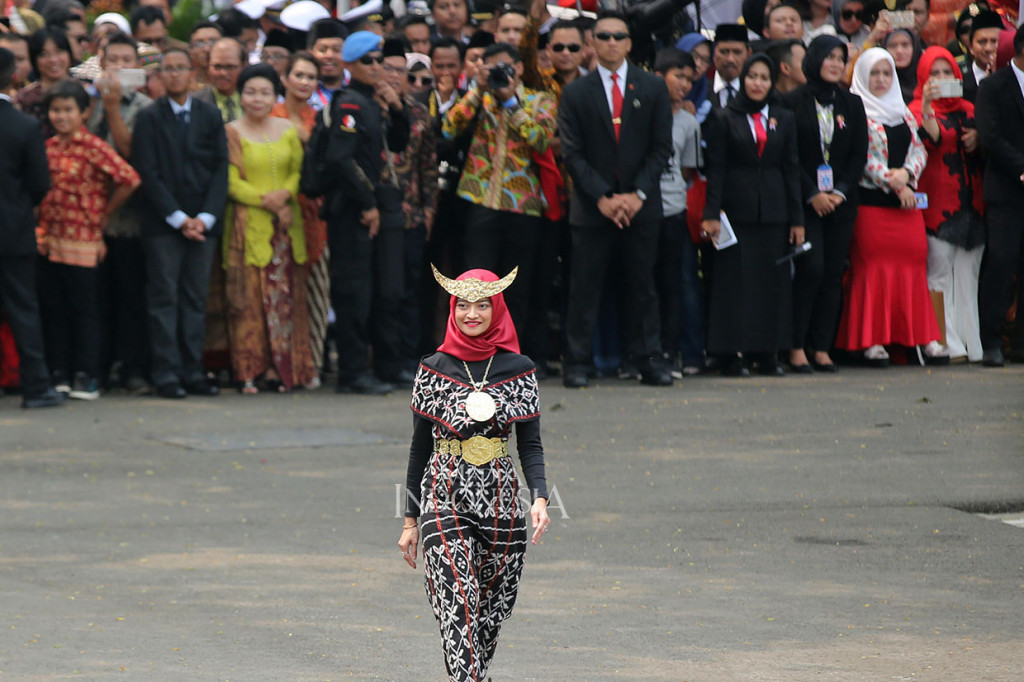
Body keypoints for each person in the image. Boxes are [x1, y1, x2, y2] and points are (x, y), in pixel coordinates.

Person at [398, 266, 550, 682]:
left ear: (496, 308)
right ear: (452, 308)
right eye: (462, 305)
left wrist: (539, 498)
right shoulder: (433, 368)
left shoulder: (519, 368)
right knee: (458, 605)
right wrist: (410, 520)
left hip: (501, 496)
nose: (472, 313)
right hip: (443, 493)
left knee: (488, 614)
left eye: (482, 305)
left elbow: (530, 445)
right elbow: (418, 449)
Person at [558, 11, 674, 387]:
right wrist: (604, 198)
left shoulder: (653, 87)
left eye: (618, 36)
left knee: (643, 286)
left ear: (629, 43)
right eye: (603, 36)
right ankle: (576, 363)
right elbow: (573, 154)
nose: (611, 42)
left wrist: (637, 195)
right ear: (592, 41)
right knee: (584, 288)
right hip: (593, 209)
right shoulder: (576, 91)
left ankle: (649, 361)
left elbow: (661, 149)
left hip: (641, 206)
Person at [443, 41, 556, 365]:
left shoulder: (540, 100)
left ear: (519, 68)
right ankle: (471, 355)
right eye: (492, 69)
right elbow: (450, 127)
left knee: (517, 287)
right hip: (480, 200)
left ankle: (511, 358)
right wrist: (478, 90)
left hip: (524, 204)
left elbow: (541, 139)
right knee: (475, 286)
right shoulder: (480, 98)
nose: (499, 75)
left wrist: (511, 102)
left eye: (505, 68)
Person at [836, 48, 946, 365]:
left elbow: (919, 149)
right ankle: (872, 341)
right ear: (862, 76)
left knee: (913, 266)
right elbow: (860, 158)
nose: (882, 80)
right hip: (872, 207)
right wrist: (893, 181)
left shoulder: (903, 112)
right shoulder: (855, 112)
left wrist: (908, 174)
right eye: (875, 73)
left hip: (907, 205)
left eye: (887, 73)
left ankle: (922, 338)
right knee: (873, 270)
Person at [132, 48, 229, 398]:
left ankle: (193, 371)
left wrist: (204, 217)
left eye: (180, 68)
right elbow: (148, 172)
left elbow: (221, 169)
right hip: (164, 224)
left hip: (204, 221)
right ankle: (166, 373)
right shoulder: (149, 117)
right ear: (158, 75)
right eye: (167, 69)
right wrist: (178, 218)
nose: (174, 75)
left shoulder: (209, 114)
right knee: (164, 298)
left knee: (195, 298)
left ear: (192, 73)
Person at [37, 79, 141, 400]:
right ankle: (60, 372)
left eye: (68, 110)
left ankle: (88, 374)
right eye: (55, 110)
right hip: (49, 239)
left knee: (85, 309)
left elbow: (129, 179)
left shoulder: (94, 146)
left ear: (85, 111)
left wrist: (106, 212)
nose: (61, 116)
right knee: (54, 310)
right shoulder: (47, 147)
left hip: (84, 239)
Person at [702, 54, 804, 377]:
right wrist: (711, 213)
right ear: (743, 80)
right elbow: (715, 168)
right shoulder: (724, 117)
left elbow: (791, 168)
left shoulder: (784, 117)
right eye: (752, 76)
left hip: (774, 211)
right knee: (734, 284)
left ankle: (767, 353)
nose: (757, 83)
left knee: (772, 284)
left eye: (764, 77)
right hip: (736, 211)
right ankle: (731, 353)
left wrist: (797, 219)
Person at [322, 31, 410, 394]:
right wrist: (368, 204)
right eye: (368, 62)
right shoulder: (350, 104)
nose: (376, 67)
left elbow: (398, 145)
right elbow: (340, 159)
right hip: (353, 209)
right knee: (355, 293)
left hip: (380, 203)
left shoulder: (374, 102)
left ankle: (388, 365)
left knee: (388, 290)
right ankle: (353, 372)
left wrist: (398, 107)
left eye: (380, 61)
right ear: (349, 66)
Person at [223, 64, 314, 393]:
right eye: (250, 92)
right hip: (249, 224)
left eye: (264, 92)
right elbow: (231, 183)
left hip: (288, 226)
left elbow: (298, 172)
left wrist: (286, 196)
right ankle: (249, 370)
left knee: (286, 297)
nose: (257, 99)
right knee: (248, 299)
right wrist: (269, 201)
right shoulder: (231, 131)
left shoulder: (289, 129)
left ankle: (283, 370)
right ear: (240, 95)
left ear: (275, 95)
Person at [781, 35, 868, 372]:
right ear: (814, 59)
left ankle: (821, 346)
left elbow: (858, 154)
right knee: (811, 269)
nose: (834, 63)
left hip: (841, 202)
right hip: (806, 203)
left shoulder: (852, 103)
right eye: (828, 56)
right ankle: (796, 346)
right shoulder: (790, 102)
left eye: (840, 57)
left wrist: (840, 191)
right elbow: (788, 156)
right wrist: (812, 194)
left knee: (833, 273)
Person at [909, 46, 985, 362]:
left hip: (974, 201)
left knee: (968, 277)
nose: (941, 79)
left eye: (947, 72)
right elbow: (933, 137)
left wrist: (979, 136)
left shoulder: (971, 107)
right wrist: (927, 105)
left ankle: (972, 344)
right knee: (938, 277)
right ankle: (942, 341)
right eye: (934, 73)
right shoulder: (915, 108)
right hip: (938, 203)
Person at [0, 47, 65, 409]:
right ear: (13, 75)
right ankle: (37, 386)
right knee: (24, 307)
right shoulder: (24, 126)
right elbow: (40, 183)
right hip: (14, 229)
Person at [88, 32, 153, 392]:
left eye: (126, 59)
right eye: (112, 59)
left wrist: (113, 110)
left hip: (129, 218)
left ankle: (132, 368)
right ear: (101, 64)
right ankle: (98, 367)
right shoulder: (85, 102)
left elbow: (130, 156)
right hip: (90, 216)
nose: (119, 66)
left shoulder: (145, 107)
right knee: (98, 298)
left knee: (131, 296)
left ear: (138, 64)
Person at [380, 40, 439, 381]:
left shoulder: (419, 114)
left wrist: (429, 209)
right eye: (387, 69)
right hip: (376, 214)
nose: (392, 76)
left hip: (413, 214)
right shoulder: (368, 108)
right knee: (383, 290)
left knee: (409, 290)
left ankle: (408, 359)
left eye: (400, 71)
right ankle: (384, 359)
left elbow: (428, 167)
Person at [271, 52, 330, 379]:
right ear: (285, 78)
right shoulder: (270, 113)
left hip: (313, 212)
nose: (305, 82)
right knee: (282, 290)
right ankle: (282, 365)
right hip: (275, 209)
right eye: (299, 75)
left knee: (317, 290)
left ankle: (314, 364)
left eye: (311, 77)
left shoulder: (320, 119)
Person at [974, 23, 1024, 367]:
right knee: (1001, 263)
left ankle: (1019, 343)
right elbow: (989, 136)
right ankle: (990, 339)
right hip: (1007, 188)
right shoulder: (993, 86)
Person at [653, 48, 703, 375]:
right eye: (678, 76)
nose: (684, 84)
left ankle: (672, 352)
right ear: (659, 76)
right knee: (643, 284)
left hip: (674, 208)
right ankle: (643, 352)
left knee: (674, 284)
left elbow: (688, 170)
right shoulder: (641, 113)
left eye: (689, 78)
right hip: (641, 209)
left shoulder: (688, 122)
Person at [18, 28, 72, 137]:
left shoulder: (86, 92)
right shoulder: (23, 99)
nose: (53, 59)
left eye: (59, 51)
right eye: (44, 54)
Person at [195, 37, 244, 122]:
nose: (223, 73)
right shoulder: (195, 103)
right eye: (217, 67)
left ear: (243, 66)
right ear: (208, 66)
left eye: (230, 67)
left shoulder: (255, 101)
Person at [960, 9, 1001, 103]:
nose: (988, 48)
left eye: (995, 41)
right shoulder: (960, 84)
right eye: (982, 42)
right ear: (971, 47)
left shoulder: (1015, 80)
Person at [307, 18, 348, 111]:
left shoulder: (356, 85)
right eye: (322, 50)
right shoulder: (301, 88)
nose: (329, 56)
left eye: (337, 50)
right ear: (310, 53)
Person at [711, 24, 750, 108]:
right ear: (714, 53)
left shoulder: (754, 92)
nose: (730, 59)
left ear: (748, 54)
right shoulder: (700, 93)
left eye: (737, 52)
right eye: (724, 52)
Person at [883, 28, 922, 102]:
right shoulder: (879, 84)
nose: (899, 51)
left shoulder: (926, 84)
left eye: (905, 45)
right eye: (893, 46)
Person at [188, 21, 223, 91]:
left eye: (213, 42)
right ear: (190, 51)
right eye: (199, 43)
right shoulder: (184, 87)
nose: (207, 49)